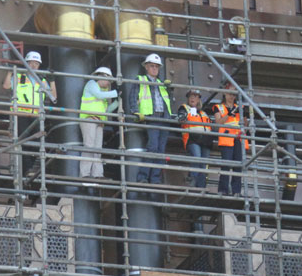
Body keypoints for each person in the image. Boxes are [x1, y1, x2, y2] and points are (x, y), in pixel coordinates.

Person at [2, 50, 56, 177]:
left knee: (36, 144)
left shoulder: (42, 80)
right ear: (26, 63)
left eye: (36, 64)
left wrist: (52, 81)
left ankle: (29, 169)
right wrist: (10, 72)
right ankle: (27, 170)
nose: (33, 66)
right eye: (31, 63)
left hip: (36, 116)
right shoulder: (20, 77)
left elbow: (53, 96)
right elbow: (6, 86)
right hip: (21, 114)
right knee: (23, 142)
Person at [128, 53, 172, 186]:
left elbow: (166, 100)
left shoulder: (161, 83)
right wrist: (135, 111)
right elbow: (133, 97)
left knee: (161, 149)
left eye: (156, 67)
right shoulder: (140, 79)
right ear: (146, 67)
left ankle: (155, 179)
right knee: (152, 147)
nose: (154, 69)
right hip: (151, 117)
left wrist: (169, 89)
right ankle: (143, 176)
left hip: (163, 118)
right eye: (152, 66)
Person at [79, 66, 120, 178]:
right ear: (101, 77)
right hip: (89, 119)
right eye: (108, 80)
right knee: (89, 146)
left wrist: (117, 102)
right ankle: (85, 174)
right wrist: (116, 93)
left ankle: (98, 174)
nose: (109, 83)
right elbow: (99, 95)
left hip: (99, 122)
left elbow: (106, 110)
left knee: (97, 149)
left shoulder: (104, 91)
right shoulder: (91, 84)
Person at [211, 83, 249, 196]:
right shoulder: (219, 107)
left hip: (239, 138)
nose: (232, 96)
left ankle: (236, 191)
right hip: (227, 138)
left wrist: (243, 117)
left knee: (238, 165)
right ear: (224, 93)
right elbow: (218, 123)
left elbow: (246, 124)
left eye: (234, 94)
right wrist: (229, 114)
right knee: (226, 165)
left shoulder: (241, 108)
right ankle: (223, 190)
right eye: (229, 93)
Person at [177, 89, 212, 189]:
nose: (192, 98)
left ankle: (201, 186)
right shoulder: (184, 108)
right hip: (192, 138)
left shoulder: (204, 113)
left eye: (195, 96)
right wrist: (182, 117)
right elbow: (180, 118)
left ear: (198, 99)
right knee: (196, 157)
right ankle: (193, 181)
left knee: (203, 163)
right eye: (190, 96)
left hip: (205, 141)